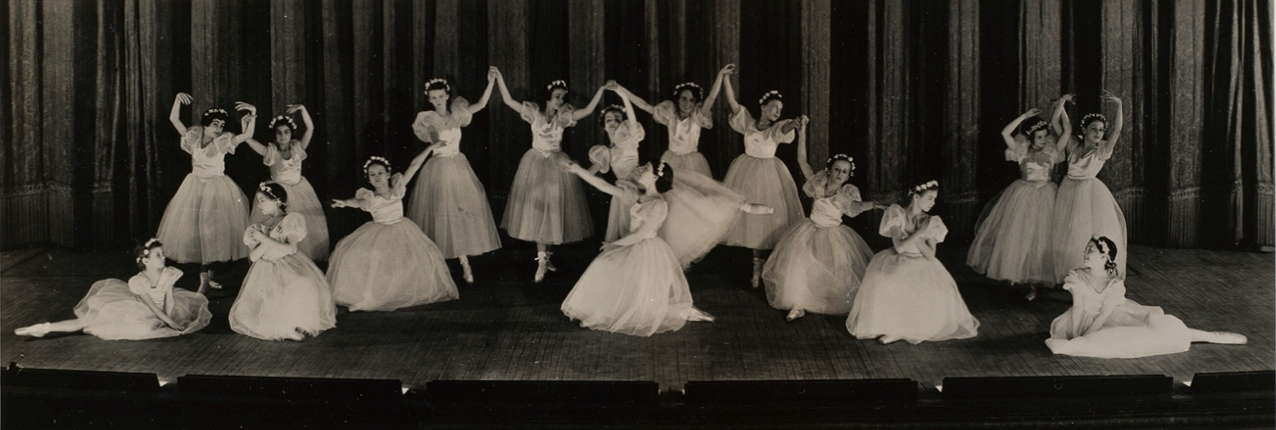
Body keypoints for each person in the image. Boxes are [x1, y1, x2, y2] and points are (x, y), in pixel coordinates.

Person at [560, 161, 715, 336]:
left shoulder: (658, 205)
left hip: (645, 248)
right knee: (604, 268)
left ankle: (683, 312)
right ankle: (600, 313)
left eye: (646, 169)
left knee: (641, 301)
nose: (640, 170)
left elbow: (640, 235)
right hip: (630, 244)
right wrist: (578, 170)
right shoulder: (636, 195)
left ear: (655, 177)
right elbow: (604, 186)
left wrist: (612, 244)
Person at [763, 117, 885, 321]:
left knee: (834, 270)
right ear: (829, 170)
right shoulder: (818, 183)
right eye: (837, 169)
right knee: (800, 265)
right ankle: (798, 304)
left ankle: (822, 300)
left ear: (847, 177)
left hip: (833, 234)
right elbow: (802, 161)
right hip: (809, 229)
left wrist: (873, 204)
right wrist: (802, 135)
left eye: (844, 172)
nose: (840, 174)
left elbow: (856, 206)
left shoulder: (847, 193)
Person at [1045, 236, 1247, 358]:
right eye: (1085, 250)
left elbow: (1104, 314)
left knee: (1157, 330)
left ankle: (1211, 336)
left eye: (1090, 250)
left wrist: (1087, 338)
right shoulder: (1077, 276)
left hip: (1112, 316)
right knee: (1109, 342)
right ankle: (1206, 336)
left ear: (1104, 256)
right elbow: (1078, 308)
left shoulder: (1114, 282)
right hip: (1078, 321)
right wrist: (1077, 337)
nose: (1084, 253)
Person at [492, 69, 607, 283]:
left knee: (552, 210)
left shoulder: (563, 118)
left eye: (563, 97)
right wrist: (499, 78)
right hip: (535, 164)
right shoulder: (534, 113)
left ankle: (546, 258)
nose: (560, 100)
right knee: (538, 211)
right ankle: (542, 261)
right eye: (557, 96)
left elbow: (588, 111)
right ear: (548, 97)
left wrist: (600, 90)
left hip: (556, 164)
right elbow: (508, 101)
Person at [846, 180, 980, 344]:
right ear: (916, 197)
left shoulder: (931, 221)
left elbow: (930, 255)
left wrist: (915, 231)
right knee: (883, 280)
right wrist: (919, 233)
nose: (933, 203)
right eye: (930, 198)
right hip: (898, 258)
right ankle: (891, 326)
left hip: (921, 262)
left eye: (934, 199)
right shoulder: (896, 213)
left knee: (920, 287)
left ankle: (905, 328)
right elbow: (900, 247)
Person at [327, 151, 458, 312]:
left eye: (380, 173)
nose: (377, 177)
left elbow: (414, 165)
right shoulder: (370, 198)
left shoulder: (397, 190)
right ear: (368, 179)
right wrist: (344, 203)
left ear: (388, 174)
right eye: (372, 174)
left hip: (402, 229)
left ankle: (399, 292)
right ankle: (367, 297)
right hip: (379, 231)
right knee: (367, 257)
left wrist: (432, 146)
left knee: (417, 257)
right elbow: (356, 202)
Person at [967, 98, 1071, 300]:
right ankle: (1020, 277)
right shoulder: (1021, 151)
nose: (1043, 140)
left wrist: (1062, 107)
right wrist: (1024, 117)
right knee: (1022, 237)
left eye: (1044, 136)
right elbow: (1005, 133)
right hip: (1024, 195)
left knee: (1043, 239)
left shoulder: (1051, 151)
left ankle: (1035, 282)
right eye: (1039, 137)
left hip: (1047, 196)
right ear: (1030, 138)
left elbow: (1066, 132)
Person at [155, 93, 257, 293]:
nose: (219, 129)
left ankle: (208, 278)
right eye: (215, 125)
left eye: (221, 125)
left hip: (217, 188)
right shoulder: (193, 138)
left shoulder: (222, 142)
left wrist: (253, 114)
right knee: (199, 233)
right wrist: (176, 99)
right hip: (194, 187)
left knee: (211, 233)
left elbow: (247, 136)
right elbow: (174, 119)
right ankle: (204, 279)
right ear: (205, 125)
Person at [406, 71, 501, 284]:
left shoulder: (458, 112)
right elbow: (433, 138)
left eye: (440, 97)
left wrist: (491, 82)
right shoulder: (429, 118)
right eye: (434, 98)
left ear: (447, 96)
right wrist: (435, 141)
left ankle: (464, 261)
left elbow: (482, 104)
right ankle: (438, 269)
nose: (438, 101)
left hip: (458, 167)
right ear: (429, 100)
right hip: (438, 169)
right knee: (440, 215)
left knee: (461, 214)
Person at [14, 239, 212, 339]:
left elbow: (169, 298)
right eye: (158, 255)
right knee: (85, 321)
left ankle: (204, 282)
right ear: (145, 261)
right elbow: (151, 307)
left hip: (167, 309)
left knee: (189, 307)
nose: (163, 258)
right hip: (141, 310)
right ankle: (44, 328)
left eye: (162, 254)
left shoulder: (168, 273)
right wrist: (166, 321)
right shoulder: (138, 281)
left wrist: (170, 320)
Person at [717, 71, 806, 287]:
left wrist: (795, 123)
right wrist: (725, 78)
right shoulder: (748, 122)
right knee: (753, 222)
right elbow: (732, 102)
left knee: (771, 220)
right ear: (763, 107)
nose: (777, 111)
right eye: (774, 107)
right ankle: (756, 268)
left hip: (770, 174)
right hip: (746, 171)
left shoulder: (776, 128)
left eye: (780, 109)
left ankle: (772, 269)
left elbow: (785, 128)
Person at [229, 182, 337, 340]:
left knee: (302, 283)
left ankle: (295, 323)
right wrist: (268, 239)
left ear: (276, 201)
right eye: (258, 201)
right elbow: (253, 257)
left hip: (287, 262)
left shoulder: (290, 220)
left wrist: (266, 239)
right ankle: (284, 328)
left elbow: (290, 248)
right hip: (265, 268)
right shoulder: (256, 228)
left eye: (262, 200)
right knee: (271, 296)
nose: (259, 205)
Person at [1051, 92, 1128, 283]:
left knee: (1086, 233)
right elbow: (1060, 125)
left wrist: (1119, 105)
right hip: (1068, 189)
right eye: (1094, 129)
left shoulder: (1101, 151)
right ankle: (1071, 274)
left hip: (1089, 192)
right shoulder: (1073, 146)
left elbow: (1117, 130)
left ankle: (1092, 276)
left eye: (1101, 130)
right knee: (1067, 232)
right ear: (1084, 130)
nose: (1098, 133)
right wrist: (1061, 106)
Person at [244, 104, 330, 261]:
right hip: (276, 193)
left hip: (299, 191)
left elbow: (310, 129)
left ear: (291, 134)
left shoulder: (298, 148)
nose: (282, 136)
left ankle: (298, 261)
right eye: (278, 133)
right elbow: (248, 139)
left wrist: (303, 109)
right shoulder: (270, 151)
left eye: (286, 132)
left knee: (296, 227)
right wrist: (251, 118)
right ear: (274, 136)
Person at [617, 64, 734, 177]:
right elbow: (643, 105)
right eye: (684, 99)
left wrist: (720, 75)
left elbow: (711, 97)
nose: (687, 103)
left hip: (692, 163)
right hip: (671, 160)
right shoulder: (670, 116)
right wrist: (621, 90)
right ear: (677, 100)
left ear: (695, 103)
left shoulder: (698, 117)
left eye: (691, 100)